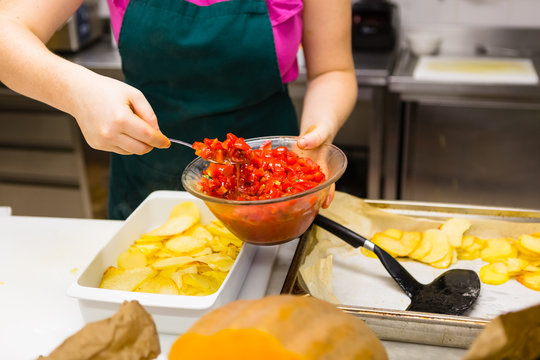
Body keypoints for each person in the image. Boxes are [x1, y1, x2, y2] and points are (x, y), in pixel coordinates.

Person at [0, 0, 357, 219]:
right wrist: (77, 92)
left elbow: (333, 71)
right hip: (149, 186)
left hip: (276, 194)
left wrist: (318, 133)